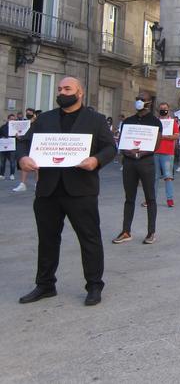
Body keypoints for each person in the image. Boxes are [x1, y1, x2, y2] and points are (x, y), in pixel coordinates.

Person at [16, 77, 116, 306]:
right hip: (48, 190)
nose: (62, 92)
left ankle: (93, 285)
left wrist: (96, 160)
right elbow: (24, 142)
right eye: (59, 89)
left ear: (79, 92)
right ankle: (45, 285)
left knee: (89, 239)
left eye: (67, 89)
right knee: (47, 239)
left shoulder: (95, 119)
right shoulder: (45, 119)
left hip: (81, 190)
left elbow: (110, 147)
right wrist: (23, 157)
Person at [112, 91, 162, 245]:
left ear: (149, 103)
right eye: (137, 99)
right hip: (129, 163)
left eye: (142, 99)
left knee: (150, 197)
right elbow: (121, 142)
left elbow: (156, 144)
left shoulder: (155, 122)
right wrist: (129, 152)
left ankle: (151, 232)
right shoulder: (128, 121)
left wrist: (141, 153)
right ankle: (126, 231)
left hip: (146, 162)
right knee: (129, 198)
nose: (139, 101)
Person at [154, 102, 179, 208]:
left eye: (165, 108)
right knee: (154, 178)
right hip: (154, 152)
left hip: (168, 153)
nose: (163, 110)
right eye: (161, 108)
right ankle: (151, 199)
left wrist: (164, 137)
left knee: (168, 177)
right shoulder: (155, 121)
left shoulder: (173, 122)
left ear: (168, 110)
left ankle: (170, 199)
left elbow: (177, 136)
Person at [12, 109, 37, 192]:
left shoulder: (37, 123)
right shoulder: (24, 123)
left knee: (37, 166)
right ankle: (22, 184)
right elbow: (22, 135)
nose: (28, 114)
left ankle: (38, 184)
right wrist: (18, 137)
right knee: (24, 165)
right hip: (25, 145)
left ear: (34, 114)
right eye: (27, 113)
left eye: (30, 113)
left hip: (35, 145)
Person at [0, 113, 18, 181]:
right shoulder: (3, 127)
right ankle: (1, 174)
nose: (12, 120)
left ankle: (12, 174)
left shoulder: (16, 128)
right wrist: (2, 137)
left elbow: (19, 137)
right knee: (2, 162)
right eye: (11, 119)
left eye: (14, 119)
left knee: (12, 162)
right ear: (8, 119)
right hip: (3, 147)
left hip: (12, 147)